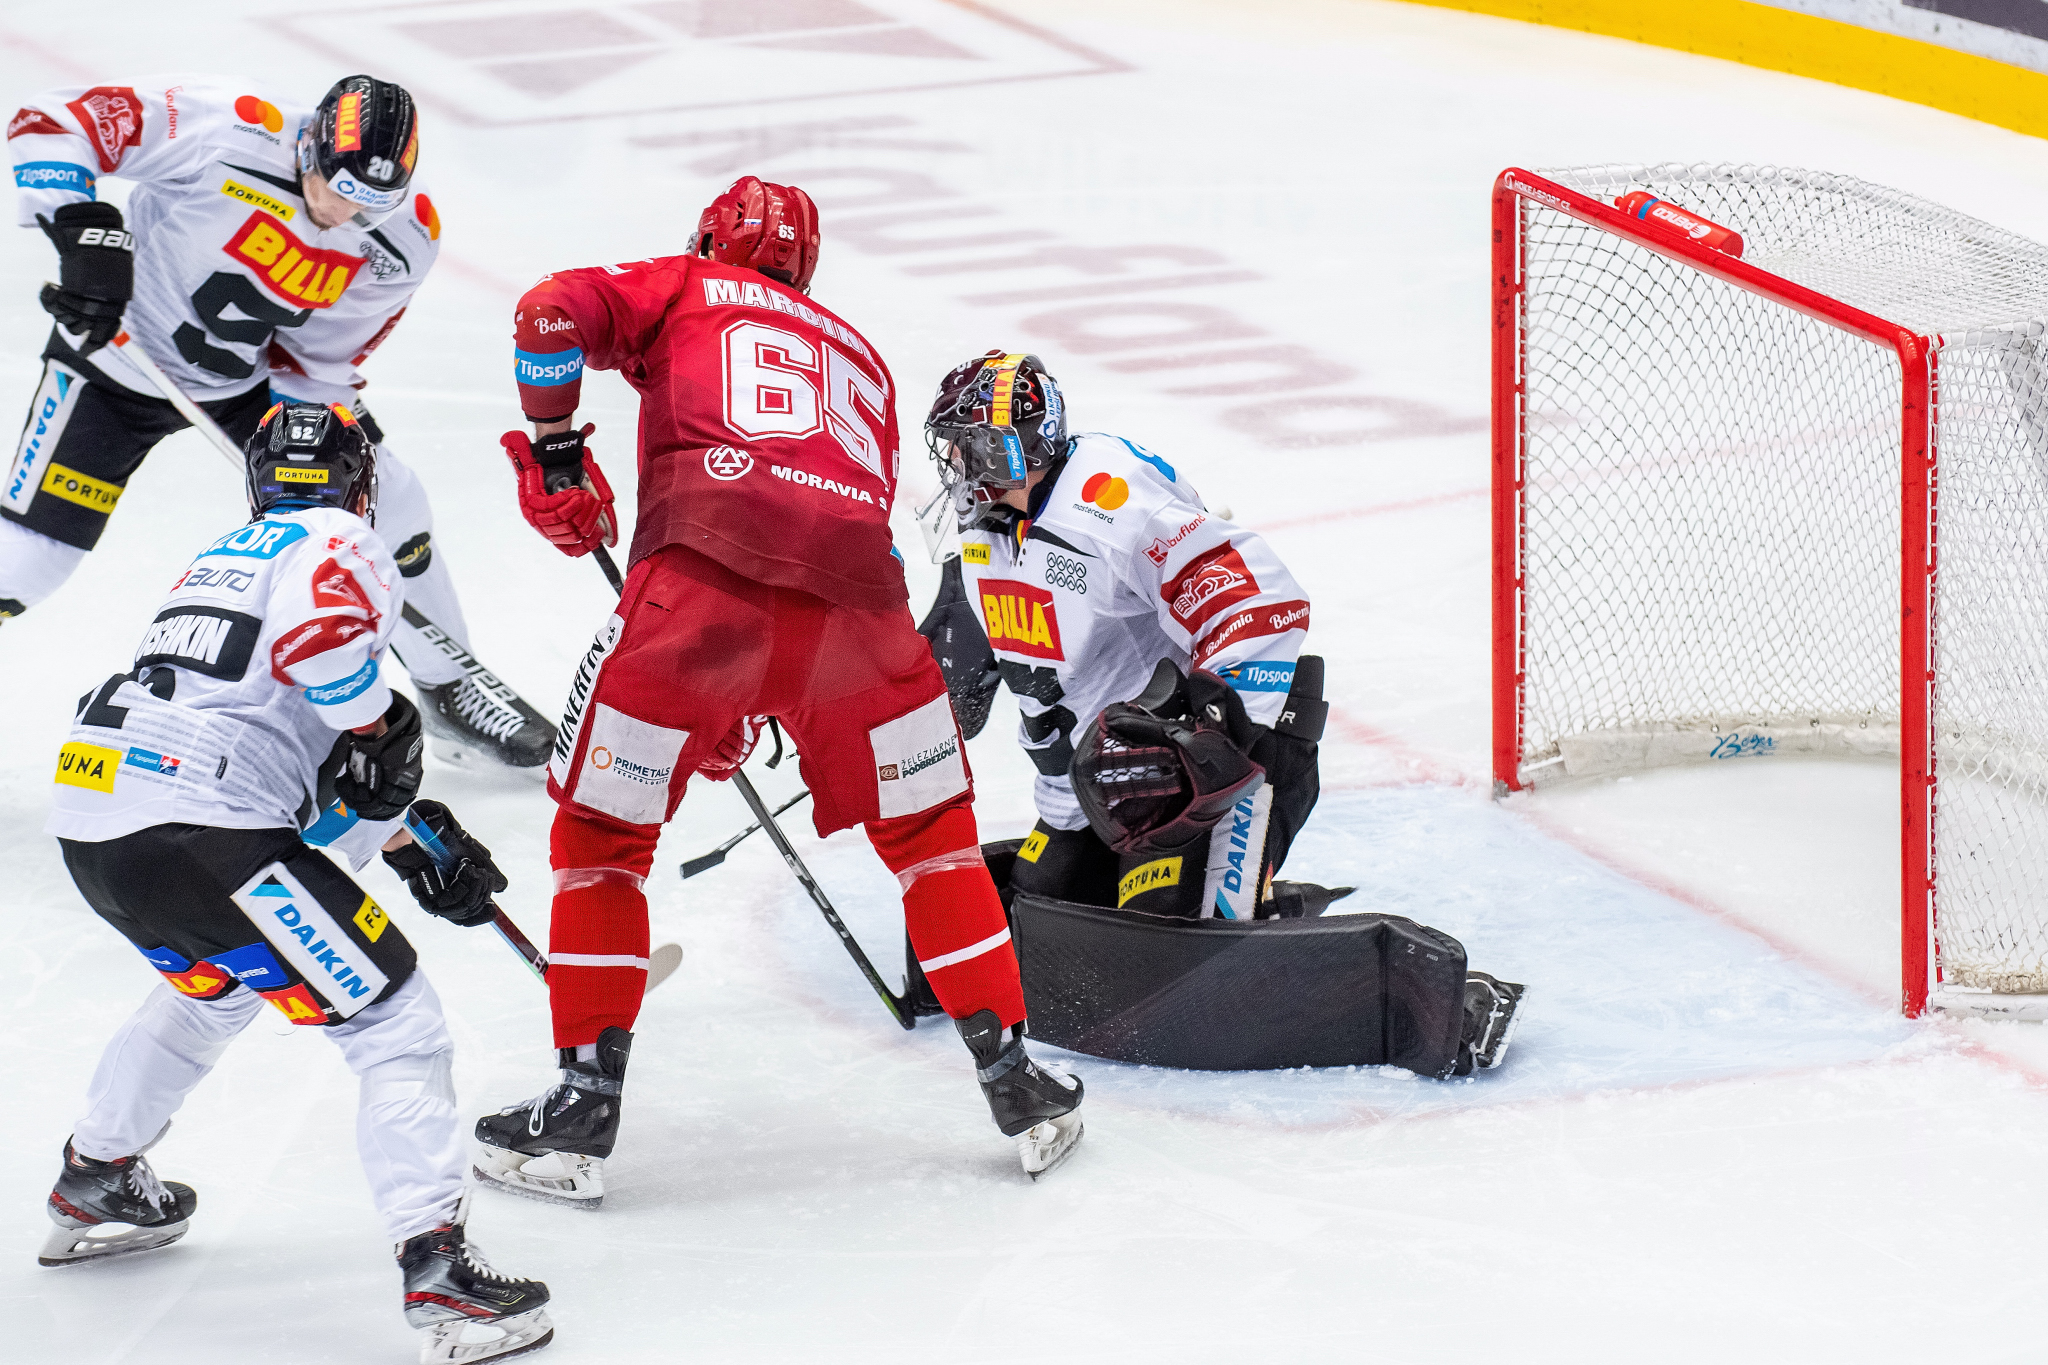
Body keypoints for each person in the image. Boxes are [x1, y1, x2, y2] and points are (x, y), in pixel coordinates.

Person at [471, 176, 1084, 1201]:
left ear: (711, 239)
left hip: (694, 595)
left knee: (603, 842)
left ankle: (579, 1112)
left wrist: (558, 452)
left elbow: (546, 314)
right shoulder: (862, 356)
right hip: (866, 618)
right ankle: (1019, 1084)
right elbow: (812, 539)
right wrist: (750, 696)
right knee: (933, 843)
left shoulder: (682, 284)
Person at [39, 401, 554, 1363]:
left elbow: (283, 737)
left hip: (101, 822)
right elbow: (326, 665)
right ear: (361, 483)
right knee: (395, 1022)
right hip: (201, 827)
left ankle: (97, 1174)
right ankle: (441, 1272)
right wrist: (381, 724)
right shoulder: (340, 538)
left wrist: (406, 835)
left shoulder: (223, 559)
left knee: (217, 987)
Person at [916, 352, 1523, 1072]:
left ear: (1017, 447)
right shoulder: (985, 531)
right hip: (1102, 788)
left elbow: (1266, 604)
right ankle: (1260, 907)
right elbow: (983, 663)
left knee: (1169, 975)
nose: (957, 466)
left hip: (1225, 763)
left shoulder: (1111, 507)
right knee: (1036, 920)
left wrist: (1194, 739)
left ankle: (1451, 1003)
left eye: (971, 447)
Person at [5, 74, 554, 767]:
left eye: (367, 202)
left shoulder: (404, 237)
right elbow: (52, 121)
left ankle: (447, 684)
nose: (340, 213)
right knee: (29, 563)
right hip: (115, 361)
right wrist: (85, 233)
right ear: (310, 144)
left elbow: (319, 359)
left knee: (391, 499)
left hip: (246, 386)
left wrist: (329, 441)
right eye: (336, 187)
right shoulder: (227, 130)